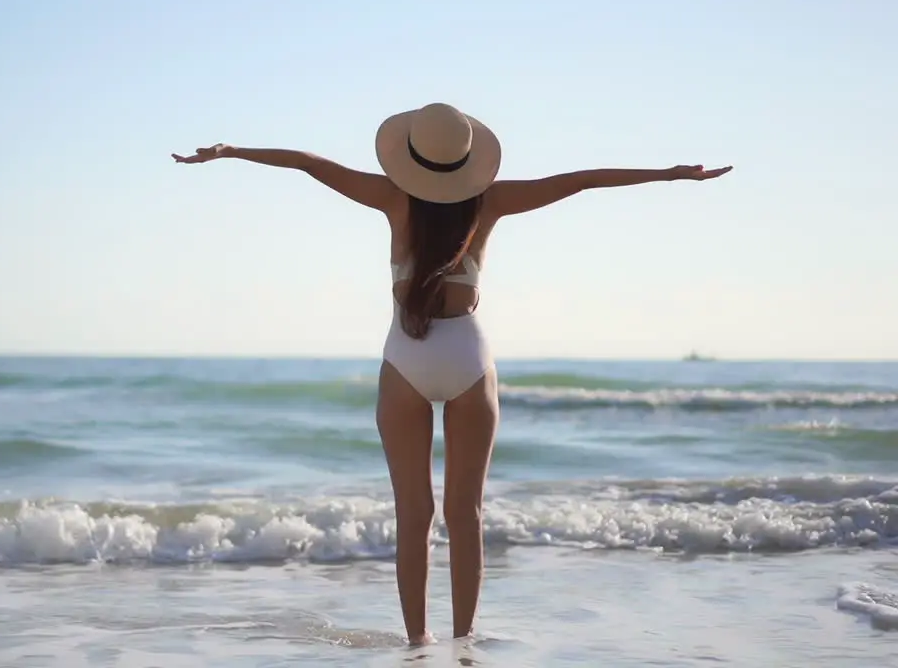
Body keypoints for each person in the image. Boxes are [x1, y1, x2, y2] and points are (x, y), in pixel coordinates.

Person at [171, 102, 732, 645]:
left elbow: (309, 164)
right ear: (467, 161)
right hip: (467, 354)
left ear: (411, 156)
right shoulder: (490, 202)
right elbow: (579, 179)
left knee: (414, 514)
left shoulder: (390, 196)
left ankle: (418, 639)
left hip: (406, 359)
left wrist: (233, 151)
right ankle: (464, 641)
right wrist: (670, 174)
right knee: (467, 514)